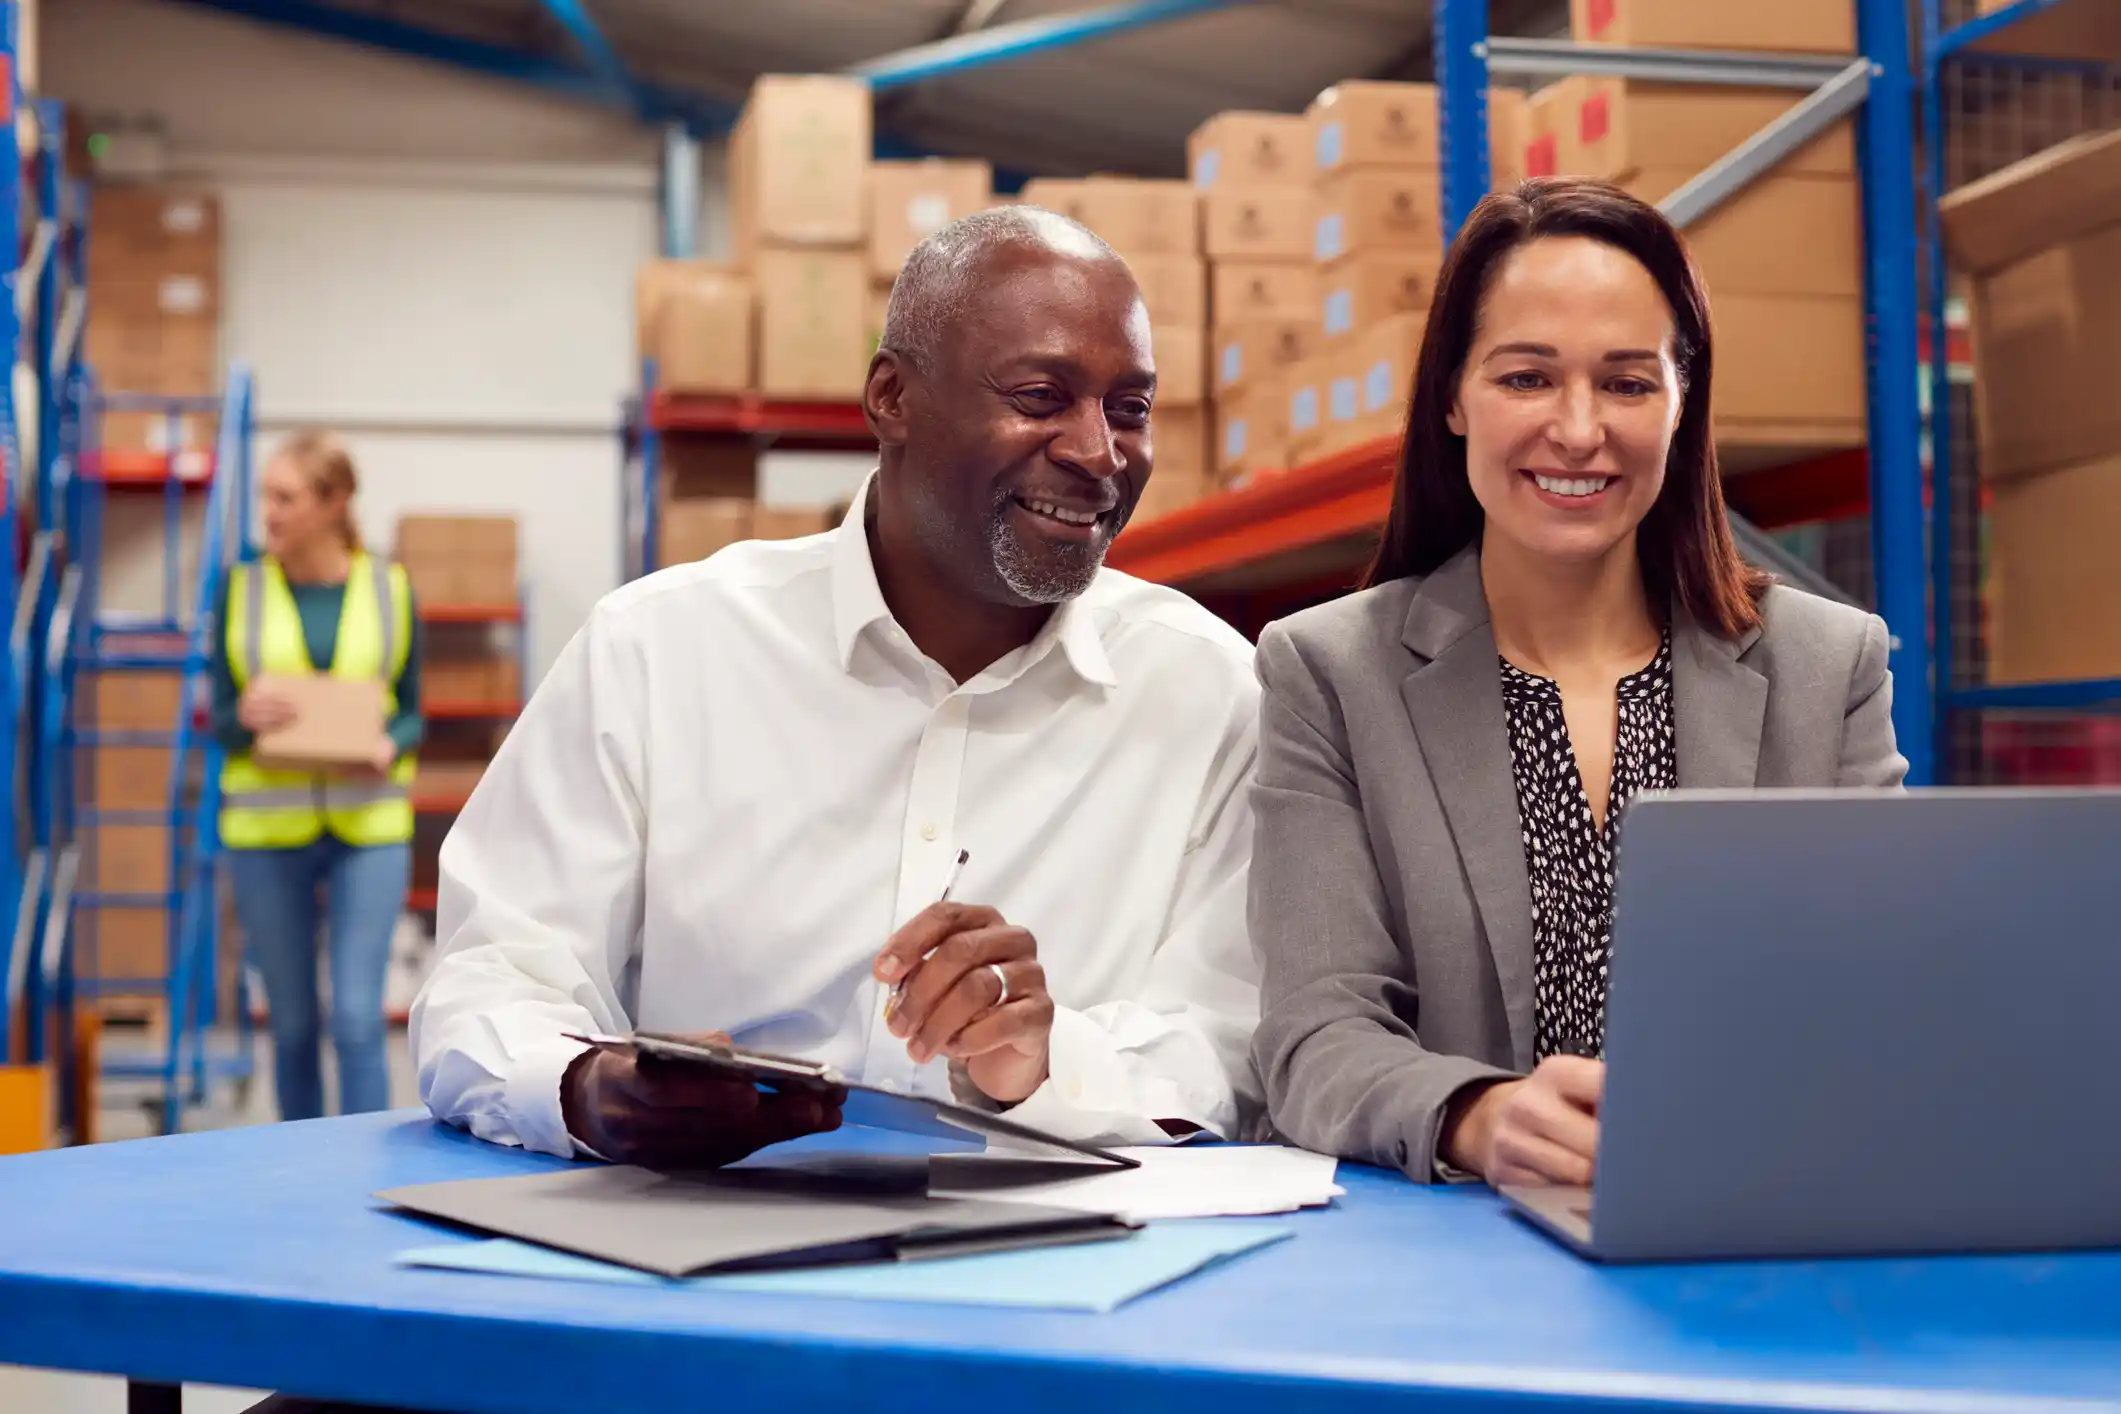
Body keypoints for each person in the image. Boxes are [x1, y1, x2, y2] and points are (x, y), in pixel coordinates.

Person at [411, 207, 1262, 1169]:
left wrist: (1043, 1060)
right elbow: (491, 976)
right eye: (1039, 395)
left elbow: (1232, 1045)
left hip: (1053, 1271)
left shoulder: (1211, 694)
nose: (1097, 451)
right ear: (892, 397)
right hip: (694, 1251)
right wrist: (587, 1087)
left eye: (1129, 409)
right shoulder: (658, 651)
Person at [1248, 178, 1907, 1189]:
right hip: (1466, 1255)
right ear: (1453, 398)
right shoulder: (1331, 674)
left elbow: (1880, 997)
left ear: (1683, 405)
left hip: (1749, 1231)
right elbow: (1313, 1036)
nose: (1579, 428)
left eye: (1629, 383)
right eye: (1526, 378)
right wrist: (1477, 1114)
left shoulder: (1830, 666)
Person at [213, 430, 422, 1121]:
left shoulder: (390, 588)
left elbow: (413, 712)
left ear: (334, 504)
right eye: (265, 497)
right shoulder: (240, 590)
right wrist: (242, 715)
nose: (267, 513)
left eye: (285, 497)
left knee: (359, 1019)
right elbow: (219, 718)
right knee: (294, 1028)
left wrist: (390, 743)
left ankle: (361, 1174)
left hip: (369, 826)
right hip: (268, 834)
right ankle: (302, 1172)